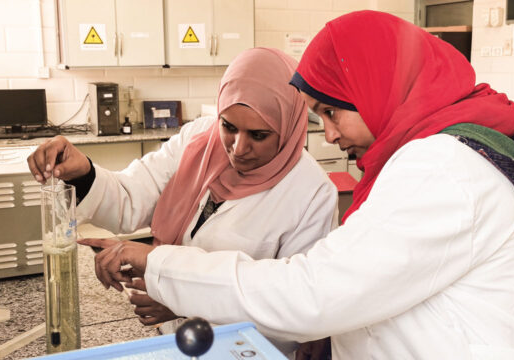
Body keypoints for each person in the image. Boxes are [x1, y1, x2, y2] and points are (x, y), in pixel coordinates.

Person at [80, 11, 514, 359]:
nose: (327, 134)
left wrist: (161, 264)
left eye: (332, 112)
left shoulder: (441, 168)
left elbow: (313, 293)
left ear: (377, 86)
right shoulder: (426, 156)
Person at [27, 47, 339, 356]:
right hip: (172, 339)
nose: (238, 147)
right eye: (229, 126)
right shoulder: (200, 139)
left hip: (239, 350)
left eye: (258, 135)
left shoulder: (311, 193)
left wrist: (181, 300)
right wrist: (84, 173)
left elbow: (291, 309)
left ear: (288, 126)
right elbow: (132, 195)